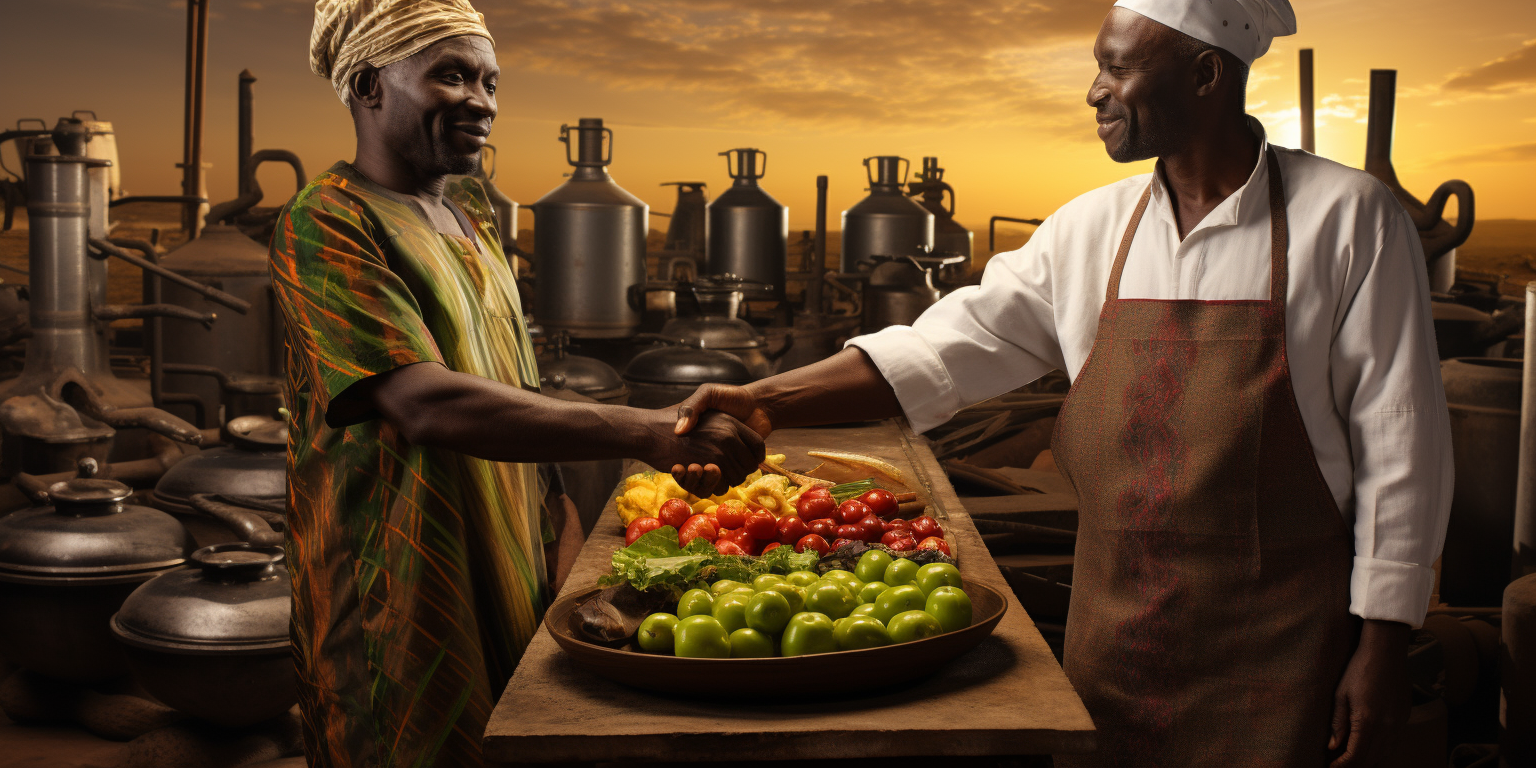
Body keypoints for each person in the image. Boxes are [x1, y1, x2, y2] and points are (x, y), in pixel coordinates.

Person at [672, 0, 1452, 765]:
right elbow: (941, 349)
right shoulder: (1089, 230)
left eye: (1117, 67)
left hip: (1283, 643)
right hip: (1115, 638)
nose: (1094, 91)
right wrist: (762, 400)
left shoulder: (1350, 219)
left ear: (1207, 72)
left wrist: (1382, 643)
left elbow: (1400, 439)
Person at [273, 2, 763, 765]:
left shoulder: (469, 214)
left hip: (505, 555)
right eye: (451, 75)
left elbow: (517, 380)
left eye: (490, 80)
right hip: (397, 574)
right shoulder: (329, 222)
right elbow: (423, 402)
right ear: (368, 85)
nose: (483, 100)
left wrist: (559, 524)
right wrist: (645, 430)